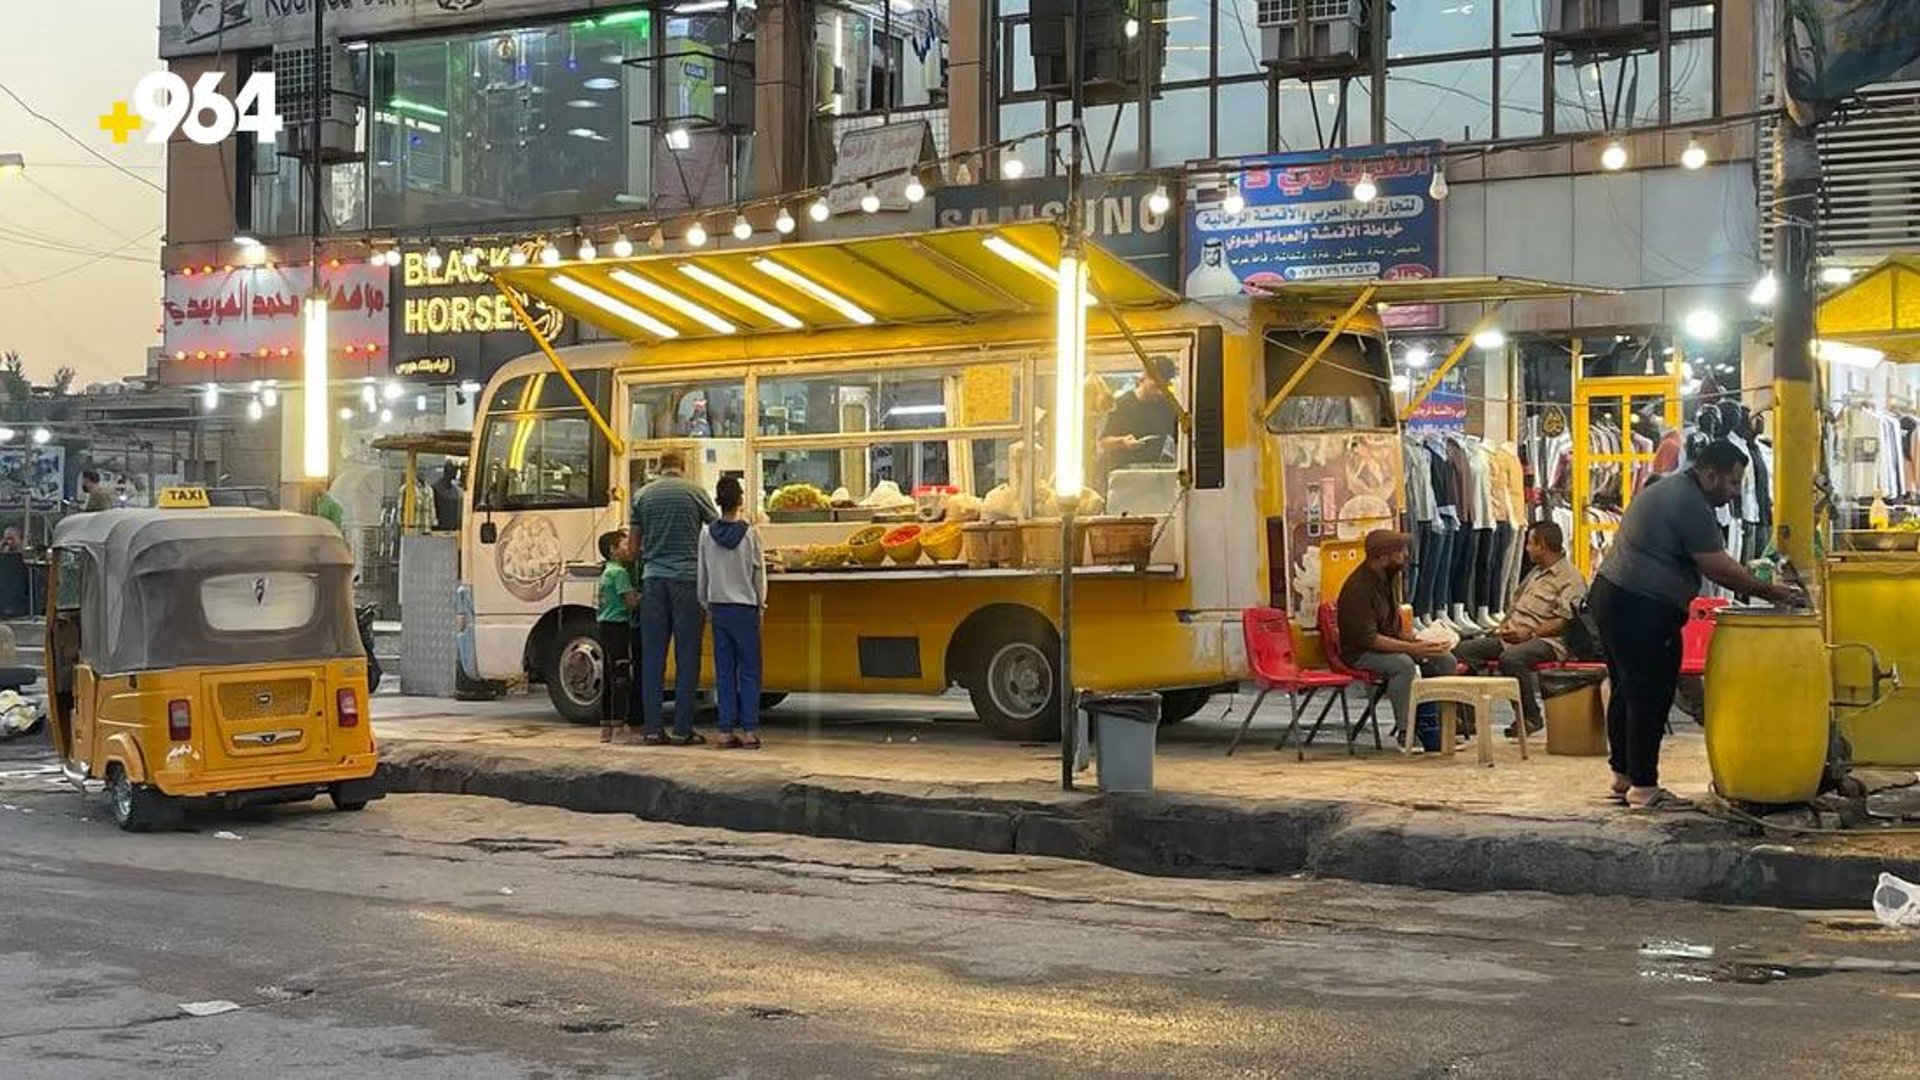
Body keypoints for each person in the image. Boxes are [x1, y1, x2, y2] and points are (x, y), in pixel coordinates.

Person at [1592, 439, 1801, 811]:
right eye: (1732, 483)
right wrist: (1773, 592)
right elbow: (1716, 566)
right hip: (1641, 605)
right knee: (1650, 693)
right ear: (1709, 474)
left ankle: (1623, 775)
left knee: (1627, 688)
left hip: (1613, 596)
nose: (1735, 493)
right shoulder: (1687, 502)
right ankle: (1644, 787)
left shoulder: (1669, 489)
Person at [1454, 521, 1587, 738]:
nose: (1526, 549)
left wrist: (1531, 633)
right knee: (1462, 651)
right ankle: (1466, 718)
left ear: (1542, 545)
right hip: (1514, 636)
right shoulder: (1535, 573)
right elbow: (1515, 604)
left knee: (1512, 658)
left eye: (1530, 544)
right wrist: (1505, 627)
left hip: (1548, 641)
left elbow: (1564, 621)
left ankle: (1530, 716)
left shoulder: (1570, 578)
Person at [626, 450, 718, 746]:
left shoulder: (643, 496)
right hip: (688, 582)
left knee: (652, 658)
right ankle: (682, 729)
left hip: (653, 581)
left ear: (659, 467)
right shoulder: (695, 492)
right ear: (683, 466)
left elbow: (632, 549)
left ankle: (652, 730)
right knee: (687, 656)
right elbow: (717, 529)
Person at [1338, 529, 1457, 741]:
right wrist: (1412, 649)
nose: (1406, 556)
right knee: (1402, 664)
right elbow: (1369, 639)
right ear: (1383, 557)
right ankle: (1407, 730)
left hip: (1387, 645)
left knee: (1444, 659)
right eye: (1400, 551)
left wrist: (1418, 641)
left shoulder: (1388, 578)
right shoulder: (1358, 589)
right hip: (1360, 654)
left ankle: (1439, 729)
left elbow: (1392, 628)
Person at [698, 476, 768, 750]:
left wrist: (705, 604)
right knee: (750, 670)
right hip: (745, 609)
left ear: (717, 501)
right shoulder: (751, 534)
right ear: (740, 501)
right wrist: (760, 604)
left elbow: (702, 574)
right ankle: (749, 730)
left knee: (724, 671)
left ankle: (725, 731)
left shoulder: (706, 534)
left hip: (718, 608)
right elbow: (758, 574)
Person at [1097, 356, 1180, 477]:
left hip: (1154, 475)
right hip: (1122, 475)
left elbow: (1180, 438)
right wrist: (1122, 442)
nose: (1160, 392)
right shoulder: (1120, 405)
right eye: (1156, 386)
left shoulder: (1168, 407)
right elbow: (1102, 442)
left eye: (1164, 387)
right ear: (1143, 379)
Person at [595, 530, 639, 743]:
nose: (629, 548)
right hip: (618, 626)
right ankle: (619, 726)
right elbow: (631, 601)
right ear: (612, 550)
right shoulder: (619, 573)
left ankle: (606, 728)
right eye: (625, 544)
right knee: (621, 675)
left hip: (604, 625)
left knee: (608, 675)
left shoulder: (606, 572)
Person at [432, 462, 463, 532]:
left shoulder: (456, 491)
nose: (456, 473)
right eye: (454, 470)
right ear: (447, 471)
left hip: (454, 530)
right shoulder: (436, 488)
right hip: (439, 530)